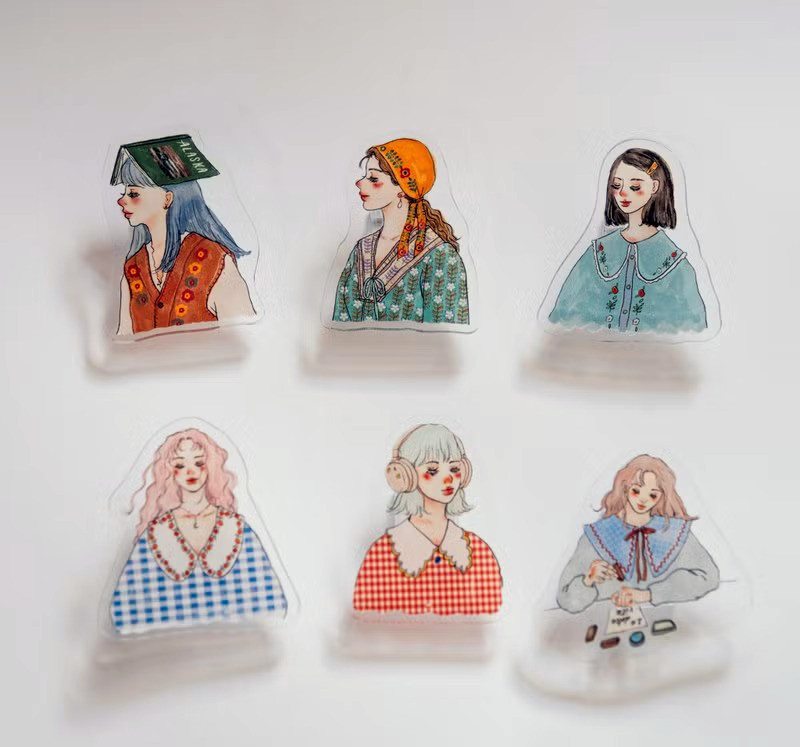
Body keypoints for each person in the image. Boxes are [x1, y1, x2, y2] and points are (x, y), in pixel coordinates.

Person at [110, 429, 287, 634]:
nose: (190, 471)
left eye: (199, 463)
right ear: (169, 472)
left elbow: (273, 603)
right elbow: (123, 611)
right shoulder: (156, 532)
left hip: (242, 639)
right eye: (180, 465)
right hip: (166, 645)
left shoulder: (236, 527)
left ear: (210, 467)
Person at [548, 148, 707, 334]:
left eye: (634, 187)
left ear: (654, 187)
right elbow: (562, 320)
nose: (622, 193)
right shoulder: (596, 254)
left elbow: (692, 330)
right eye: (616, 186)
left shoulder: (677, 267)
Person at [353, 424, 502, 615]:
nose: (448, 479)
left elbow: (493, 619)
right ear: (405, 476)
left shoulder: (478, 552)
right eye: (433, 470)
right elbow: (365, 621)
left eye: (454, 468)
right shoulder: (382, 554)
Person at [113, 150, 255, 335]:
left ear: (167, 198)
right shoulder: (133, 268)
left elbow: (243, 337)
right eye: (124, 193)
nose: (121, 200)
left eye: (133, 193)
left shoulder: (214, 259)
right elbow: (125, 340)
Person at [556, 454, 719, 614]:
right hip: (602, 624)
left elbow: (709, 576)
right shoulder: (597, 535)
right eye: (636, 491)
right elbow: (565, 599)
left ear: (662, 496)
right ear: (625, 488)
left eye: (652, 495)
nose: (643, 500)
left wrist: (649, 595)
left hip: (668, 621)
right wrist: (587, 580)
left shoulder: (673, 531)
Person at [333, 139, 470, 325]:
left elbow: (445, 334)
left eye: (373, 179)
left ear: (402, 189)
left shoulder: (440, 255)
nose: (359, 183)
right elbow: (338, 326)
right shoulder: (361, 249)